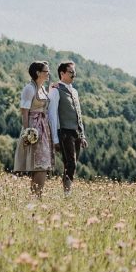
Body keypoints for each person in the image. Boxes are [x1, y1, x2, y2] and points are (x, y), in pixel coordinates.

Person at [13, 61, 55, 196]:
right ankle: (36, 196)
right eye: (46, 71)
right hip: (34, 128)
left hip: (43, 127)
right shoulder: (29, 88)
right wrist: (27, 132)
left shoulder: (42, 88)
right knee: (39, 164)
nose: (48, 73)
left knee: (42, 163)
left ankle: (37, 196)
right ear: (38, 73)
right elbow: (24, 111)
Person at [47, 60, 86, 195]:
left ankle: (67, 192)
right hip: (64, 132)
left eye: (74, 72)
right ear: (62, 73)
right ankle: (67, 194)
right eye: (71, 72)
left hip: (76, 132)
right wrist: (55, 139)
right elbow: (52, 115)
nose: (74, 75)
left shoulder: (74, 91)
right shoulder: (56, 90)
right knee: (70, 163)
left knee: (72, 164)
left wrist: (82, 135)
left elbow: (78, 114)